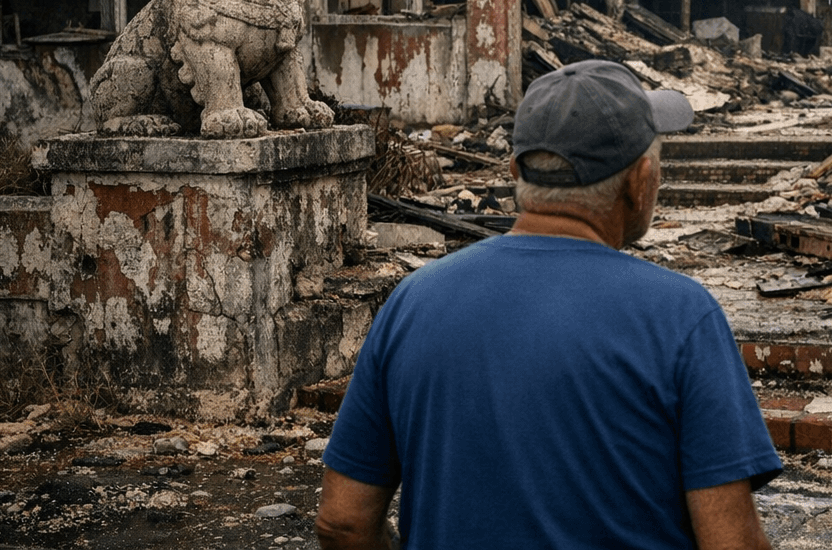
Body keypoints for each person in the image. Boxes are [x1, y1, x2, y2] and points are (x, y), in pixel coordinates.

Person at [317, 59, 780, 549]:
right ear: (641, 181)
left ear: (517, 170)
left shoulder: (414, 300)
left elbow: (342, 521)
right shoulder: (682, 317)